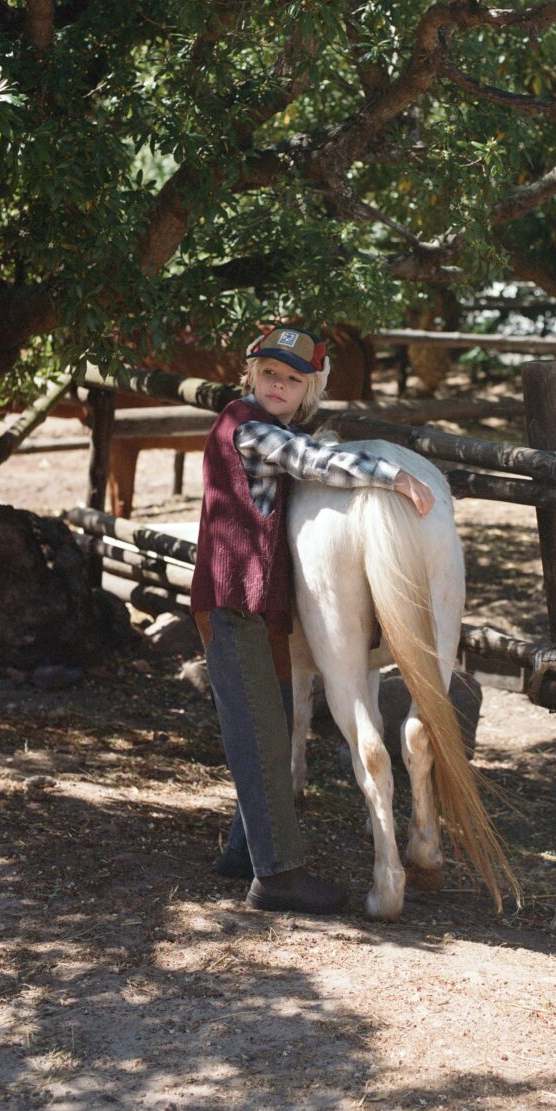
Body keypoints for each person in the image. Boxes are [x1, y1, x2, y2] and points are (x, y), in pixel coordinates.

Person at [189, 324, 436, 914]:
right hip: (233, 604)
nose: (278, 385)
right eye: (269, 374)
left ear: (309, 390)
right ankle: (277, 878)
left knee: (266, 725)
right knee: (261, 734)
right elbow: (311, 459)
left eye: (292, 379)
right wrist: (392, 475)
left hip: (259, 609)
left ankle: (241, 851)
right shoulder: (245, 425)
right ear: (249, 375)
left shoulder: (267, 425)